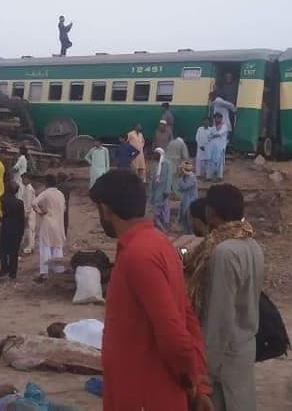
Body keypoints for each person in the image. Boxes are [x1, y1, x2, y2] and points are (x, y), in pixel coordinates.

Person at [88, 170, 211, 410]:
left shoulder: (138, 255)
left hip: (144, 394)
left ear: (105, 210)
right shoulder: (158, 243)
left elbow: (174, 334)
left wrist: (193, 383)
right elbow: (187, 318)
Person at [185, 184, 263, 411]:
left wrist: (205, 371)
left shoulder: (223, 252)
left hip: (224, 356)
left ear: (210, 212)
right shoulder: (252, 244)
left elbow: (220, 315)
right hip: (244, 346)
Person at [0, 335, 101, 374]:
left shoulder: (14, 339)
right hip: (57, 353)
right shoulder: (9, 353)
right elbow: (23, 363)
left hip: (58, 345)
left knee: (84, 349)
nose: (1, 340)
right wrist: (48, 362)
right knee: (84, 357)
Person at [33, 175, 67, 282]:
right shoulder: (60, 194)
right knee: (57, 247)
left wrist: (40, 212)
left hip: (48, 222)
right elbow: (64, 208)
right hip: (59, 223)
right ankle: (58, 271)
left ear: (46, 183)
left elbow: (34, 203)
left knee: (45, 247)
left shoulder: (46, 193)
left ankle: (44, 273)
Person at [0, 183, 26, 280]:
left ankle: (4, 269)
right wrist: (22, 232)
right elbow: (22, 219)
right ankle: (12, 273)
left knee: (3, 251)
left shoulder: (3, 200)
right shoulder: (20, 203)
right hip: (16, 230)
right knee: (14, 253)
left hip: (6, 228)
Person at [149, 148, 173, 233]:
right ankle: (160, 226)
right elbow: (152, 177)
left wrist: (167, 190)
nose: (155, 156)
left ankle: (165, 225)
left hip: (163, 189)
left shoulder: (167, 163)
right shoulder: (154, 163)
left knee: (165, 208)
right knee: (156, 207)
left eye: (157, 154)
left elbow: (169, 178)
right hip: (155, 189)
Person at [205, 112, 229, 181]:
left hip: (221, 148)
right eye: (215, 118)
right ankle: (209, 177)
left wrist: (212, 136)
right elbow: (209, 137)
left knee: (219, 163)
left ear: (221, 118)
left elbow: (219, 134)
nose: (217, 119)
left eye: (218, 118)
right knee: (211, 162)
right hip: (212, 148)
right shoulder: (213, 128)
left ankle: (219, 177)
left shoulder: (224, 126)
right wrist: (211, 136)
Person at [177, 161, 198, 235]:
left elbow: (184, 187)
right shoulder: (184, 177)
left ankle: (191, 234)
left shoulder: (192, 177)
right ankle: (187, 233)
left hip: (191, 200)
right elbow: (179, 188)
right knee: (184, 219)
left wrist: (180, 178)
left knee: (189, 220)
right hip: (185, 200)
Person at [21, 175, 37, 255]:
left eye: (23, 179)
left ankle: (30, 248)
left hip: (29, 212)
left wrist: (26, 214)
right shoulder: (26, 188)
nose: (22, 181)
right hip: (28, 212)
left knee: (30, 230)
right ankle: (29, 246)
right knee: (28, 230)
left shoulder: (29, 189)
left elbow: (28, 203)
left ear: (28, 179)